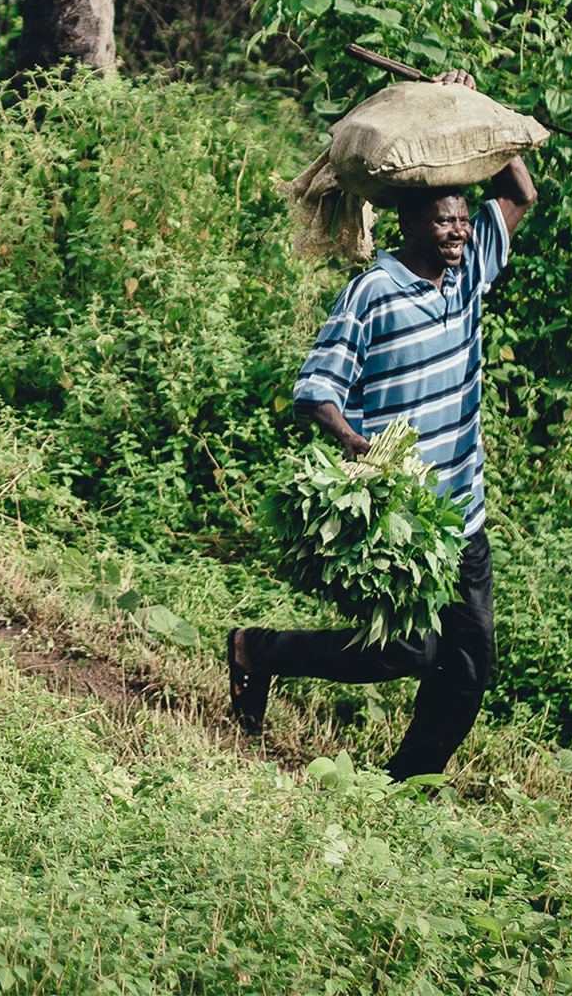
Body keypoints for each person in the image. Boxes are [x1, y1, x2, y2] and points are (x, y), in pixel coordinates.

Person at [228, 70, 537, 780]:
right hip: (401, 518)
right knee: (407, 652)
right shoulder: (372, 292)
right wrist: (357, 446)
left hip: (463, 515)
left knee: (468, 665)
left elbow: (517, 192)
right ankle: (258, 651)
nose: (459, 231)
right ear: (410, 224)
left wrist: (468, 104)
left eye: (462, 219)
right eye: (443, 220)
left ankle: (404, 787)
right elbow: (317, 392)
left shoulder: (469, 273)